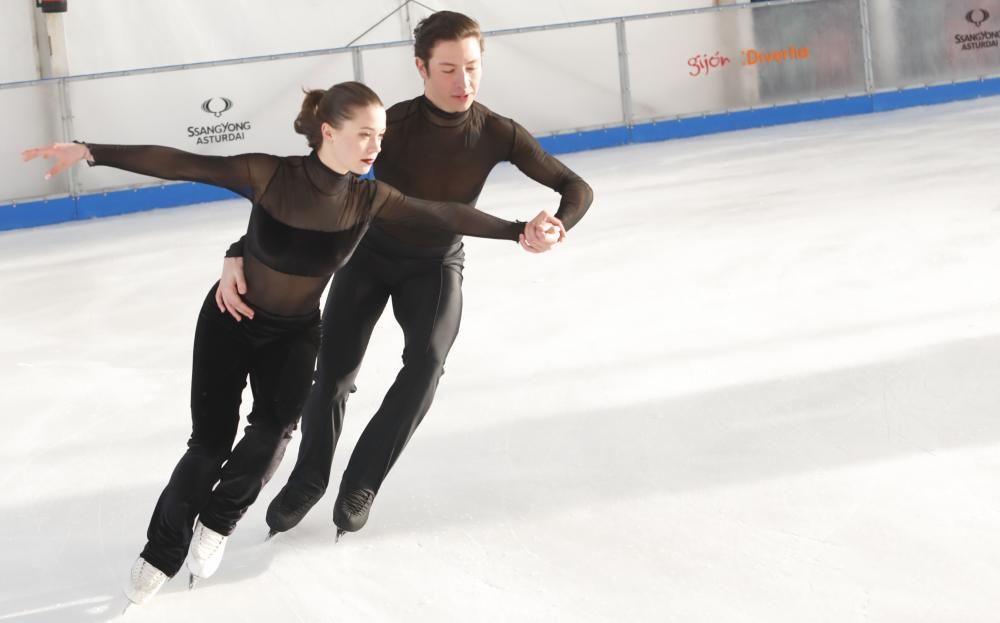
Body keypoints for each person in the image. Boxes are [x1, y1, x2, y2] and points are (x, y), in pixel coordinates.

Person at [22, 80, 565, 607]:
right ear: (328, 132)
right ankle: (162, 553)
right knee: (209, 446)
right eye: (364, 135)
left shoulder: (369, 198)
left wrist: (519, 228)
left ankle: (218, 521)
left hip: (295, 334)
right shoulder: (268, 174)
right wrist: (91, 151)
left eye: (380, 136)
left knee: (273, 434)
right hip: (229, 321)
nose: (377, 146)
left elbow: (444, 214)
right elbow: (183, 162)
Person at [218, 11, 594, 542]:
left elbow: (576, 187)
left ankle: (362, 482)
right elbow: (306, 188)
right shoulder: (389, 127)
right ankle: (309, 478)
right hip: (367, 259)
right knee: (334, 374)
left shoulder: (497, 132)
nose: (461, 82)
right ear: (420, 67)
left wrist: (555, 225)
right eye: (446, 69)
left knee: (428, 362)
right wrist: (239, 249)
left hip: (436, 265)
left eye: (471, 67)